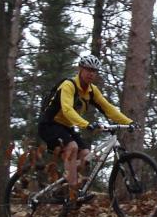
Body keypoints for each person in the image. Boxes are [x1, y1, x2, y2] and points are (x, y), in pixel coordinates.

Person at [37, 53, 133, 204]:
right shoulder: (68, 85)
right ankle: (73, 191)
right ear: (80, 69)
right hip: (49, 124)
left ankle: (63, 186)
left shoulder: (92, 91)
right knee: (73, 147)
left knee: (86, 155)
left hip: (66, 127)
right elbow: (67, 109)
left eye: (94, 71)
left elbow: (108, 108)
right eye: (88, 69)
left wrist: (129, 122)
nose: (91, 73)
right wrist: (86, 124)